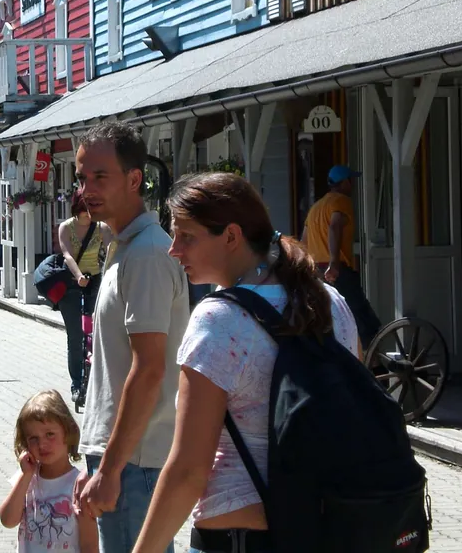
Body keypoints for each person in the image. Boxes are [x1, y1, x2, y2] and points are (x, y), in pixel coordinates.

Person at [132, 172, 360, 553]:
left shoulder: (217, 319)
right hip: (326, 529)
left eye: (186, 236)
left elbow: (189, 471)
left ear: (232, 236)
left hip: (239, 539)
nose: (174, 249)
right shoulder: (331, 301)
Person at [71, 123, 188, 553]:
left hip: (135, 462)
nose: (87, 189)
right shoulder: (126, 247)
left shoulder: (147, 255)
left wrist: (111, 468)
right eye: (83, 178)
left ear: (135, 179)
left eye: (101, 176)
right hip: (122, 457)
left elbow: (150, 369)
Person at [0, 390, 98, 553]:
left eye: (50, 434)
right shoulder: (27, 477)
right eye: (33, 438)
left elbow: (90, 544)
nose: (42, 444)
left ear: (68, 432)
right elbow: (8, 520)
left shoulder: (79, 485)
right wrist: (26, 476)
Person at [301, 164, 380, 346]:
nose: (352, 185)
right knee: (361, 313)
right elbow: (335, 226)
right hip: (337, 269)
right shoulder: (341, 201)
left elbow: (303, 240)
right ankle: (374, 359)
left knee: (333, 317)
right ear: (344, 182)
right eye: (350, 181)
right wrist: (334, 262)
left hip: (318, 270)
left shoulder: (315, 208)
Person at [58, 190, 110, 403]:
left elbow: (110, 251)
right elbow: (67, 254)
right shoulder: (66, 227)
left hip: (95, 281)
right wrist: (79, 276)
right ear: (77, 209)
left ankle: (97, 383)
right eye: (85, 211)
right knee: (75, 336)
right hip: (72, 283)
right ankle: (76, 384)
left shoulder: (101, 227)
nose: (89, 215)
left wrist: (109, 277)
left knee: (96, 333)